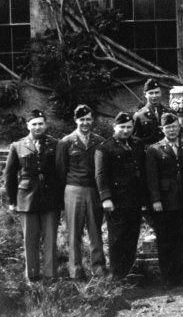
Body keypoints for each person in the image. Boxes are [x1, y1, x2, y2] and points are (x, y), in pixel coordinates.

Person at [5, 109, 61, 282]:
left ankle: (50, 276)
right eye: (34, 124)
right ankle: (33, 276)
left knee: (50, 239)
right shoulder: (17, 146)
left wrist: (60, 199)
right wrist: (12, 200)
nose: (38, 127)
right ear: (28, 125)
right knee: (30, 240)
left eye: (41, 123)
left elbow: (60, 172)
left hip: (50, 198)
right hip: (26, 198)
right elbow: (9, 175)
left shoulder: (55, 144)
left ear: (46, 125)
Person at [56, 105, 106, 279]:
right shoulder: (66, 142)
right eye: (82, 119)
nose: (85, 123)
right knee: (74, 232)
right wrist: (64, 195)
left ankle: (98, 268)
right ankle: (76, 270)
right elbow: (61, 171)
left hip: (93, 190)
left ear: (92, 120)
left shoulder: (99, 141)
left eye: (88, 119)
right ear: (76, 120)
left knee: (95, 230)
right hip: (73, 189)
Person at [146, 113, 183, 287]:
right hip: (165, 202)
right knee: (166, 239)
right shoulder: (154, 150)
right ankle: (168, 277)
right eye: (168, 127)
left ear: (179, 127)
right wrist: (156, 200)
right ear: (162, 129)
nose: (172, 130)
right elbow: (152, 178)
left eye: (174, 126)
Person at [95, 112, 146, 278]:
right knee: (118, 238)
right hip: (116, 200)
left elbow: (142, 171)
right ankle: (116, 275)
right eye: (122, 127)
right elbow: (101, 175)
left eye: (129, 127)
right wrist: (106, 198)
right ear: (114, 127)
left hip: (134, 199)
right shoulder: (105, 147)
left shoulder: (137, 144)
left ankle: (127, 272)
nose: (125, 130)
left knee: (132, 235)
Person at [133, 78, 169, 146]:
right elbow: (136, 140)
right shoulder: (139, 116)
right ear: (145, 94)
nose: (154, 96)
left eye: (157, 92)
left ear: (161, 93)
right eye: (151, 93)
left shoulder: (168, 112)